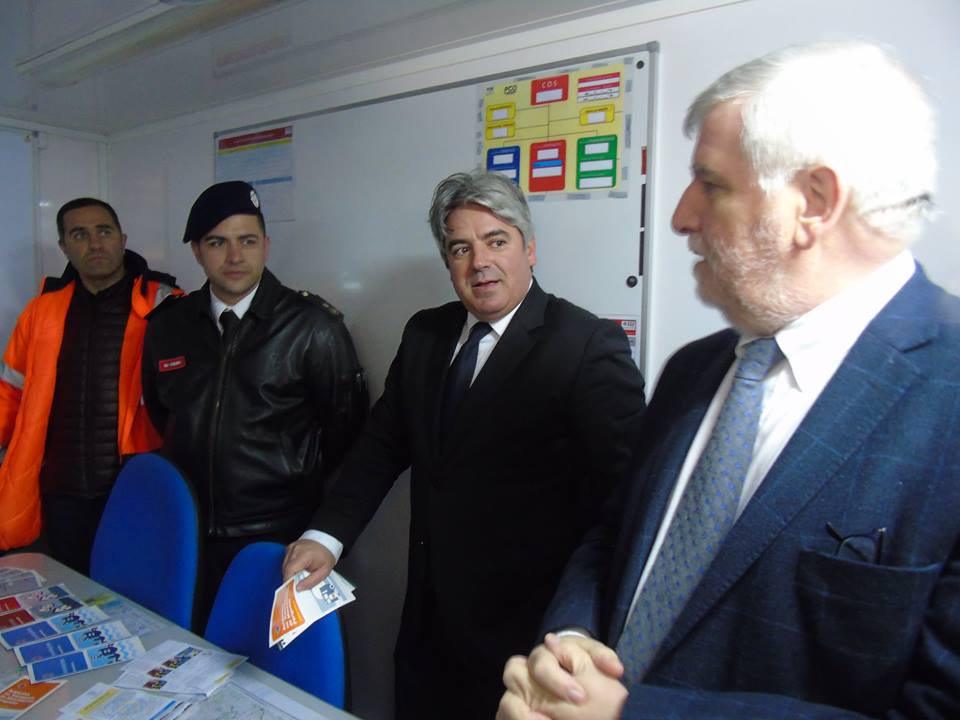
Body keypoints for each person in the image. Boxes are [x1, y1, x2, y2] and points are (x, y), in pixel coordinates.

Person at [498, 41, 960, 720]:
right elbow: (614, 536)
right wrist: (570, 650)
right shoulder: (694, 369)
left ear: (814, 202)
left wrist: (631, 716)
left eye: (711, 184)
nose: (681, 216)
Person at [282, 169, 646, 719]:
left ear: (529, 249)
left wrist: (586, 628)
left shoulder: (585, 345)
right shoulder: (425, 334)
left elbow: (623, 503)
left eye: (496, 241)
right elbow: (381, 446)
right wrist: (325, 536)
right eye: (461, 248)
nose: (480, 263)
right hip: (426, 628)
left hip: (526, 641)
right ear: (447, 261)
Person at [142, 181, 368, 626]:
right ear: (196, 251)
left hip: (279, 539)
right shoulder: (168, 326)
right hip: (188, 534)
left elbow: (346, 428)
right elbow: (162, 413)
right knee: (195, 649)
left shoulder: (312, 327)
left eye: (247, 241)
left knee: (278, 658)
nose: (234, 256)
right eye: (217, 243)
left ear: (266, 245)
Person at [0, 198, 180, 571]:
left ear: (122, 239)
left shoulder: (166, 306)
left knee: (138, 587)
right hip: (61, 492)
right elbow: (9, 394)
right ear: (64, 246)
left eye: (104, 231)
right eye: (80, 235)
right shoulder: (40, 313)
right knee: (72, 588)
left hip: (137, 487)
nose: (95, 244)